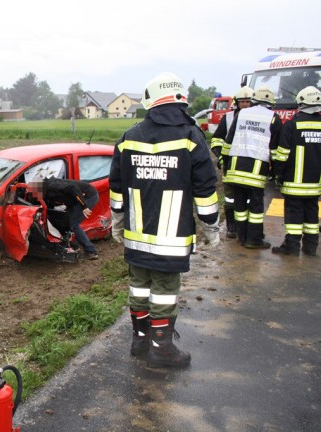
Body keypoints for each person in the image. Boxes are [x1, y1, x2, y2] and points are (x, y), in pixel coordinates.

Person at [109, 72, 219, 368]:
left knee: (139, 285)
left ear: (150, 101)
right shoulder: (190, 137)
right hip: (171, 238)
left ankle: (140, 340)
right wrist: (211, 226)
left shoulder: (128, 137)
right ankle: (162, 349)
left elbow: (116, 186)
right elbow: (206, 189)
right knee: (165, 291)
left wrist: (117, 221)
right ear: (181, 100)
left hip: (136, 233)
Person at [224, 86, 283, 249]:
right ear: (271, 103)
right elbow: (276, 150)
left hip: (235, 169)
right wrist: (276, 172)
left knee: (240, 206)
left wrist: (225, 165)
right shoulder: (273, 118)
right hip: (256, 172)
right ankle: (254, 240)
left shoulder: (241, 114)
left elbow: (228, 142)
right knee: (256, 208)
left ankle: (242, 237)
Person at [271, 86, 321, 256]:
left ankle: (291, 247)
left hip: (294, 183)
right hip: (315, 184)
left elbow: (282, 154)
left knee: (293, 215)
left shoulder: (292, 125)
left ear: (301, 103)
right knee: (312, 216)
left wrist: (278, 174)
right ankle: (311, 248)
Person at [210, 86, 254, 239]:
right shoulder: (228, 118)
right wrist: (222, 157)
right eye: (243, 102)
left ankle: (247, 228)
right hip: (230, 166)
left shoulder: (257, 118)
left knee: (249, 198)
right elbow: (216, 139)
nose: (246, 105)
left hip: (250, 166)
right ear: (237, 103)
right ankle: (231, 227)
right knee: (230, 198)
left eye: (249, 102)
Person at [30, 176, 100, 260]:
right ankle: (74, 246)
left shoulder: (54, 186)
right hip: (74, 201)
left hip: (87, 196)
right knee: (64, 221)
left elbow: (73, 188)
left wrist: (84, 206)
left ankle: (91, 251)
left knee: (73, 223)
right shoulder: (45, 191)